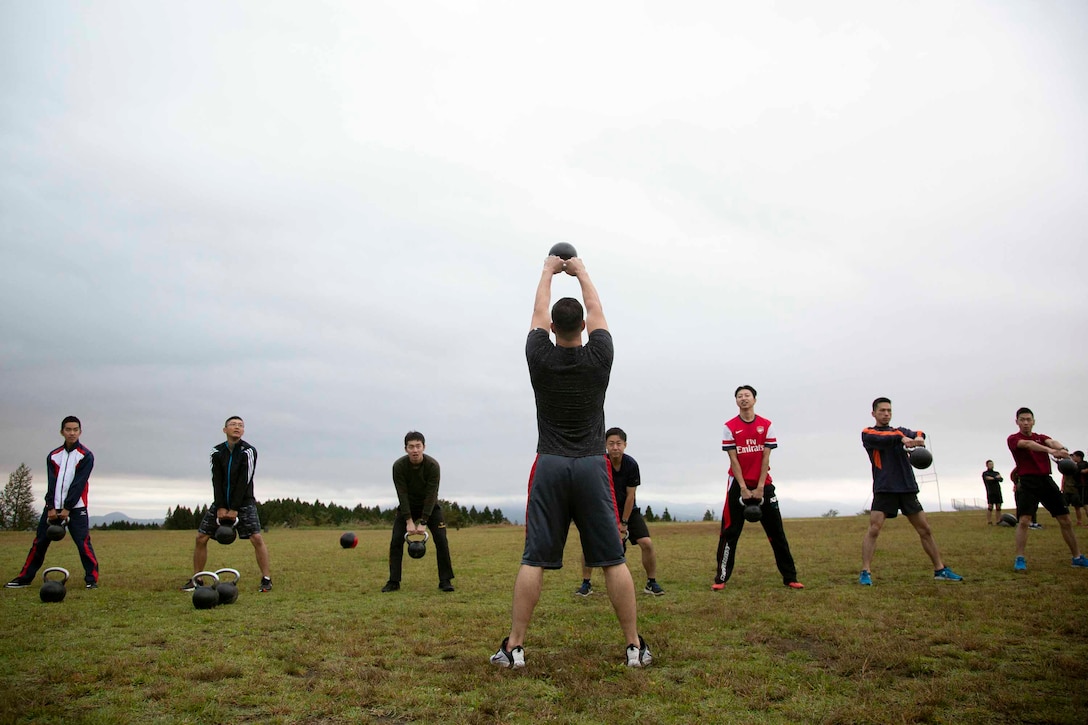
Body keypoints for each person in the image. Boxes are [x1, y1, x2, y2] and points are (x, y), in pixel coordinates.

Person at [490, 252, 651, 669]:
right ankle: (634, 647)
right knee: (613, 559)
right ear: (581, 327)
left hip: (550, 464)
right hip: (592, 465)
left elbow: (537, 312)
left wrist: (546, 271)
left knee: (533, 559)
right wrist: (580, 271)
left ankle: (515, 648)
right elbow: (596, 309)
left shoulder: (538, 356)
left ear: (551, 329)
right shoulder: (599, 356)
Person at [858, 397, 963, 586]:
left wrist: (919, 438)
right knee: (874, 529)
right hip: (885, 488)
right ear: (874, 413)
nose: (886, 414)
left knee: (925, 529)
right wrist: (903, 438)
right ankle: (865, 572)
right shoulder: (869, 433)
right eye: (882, 411)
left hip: (907, 487)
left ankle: (940, 569)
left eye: (889, 410)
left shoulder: (901, 431)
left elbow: (920, 432)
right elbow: (886, 438)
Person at [712, 385, 803, 591]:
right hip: (737, 483)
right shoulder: (730, 426)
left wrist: (761, 486)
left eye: (747, 396)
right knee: (730, 532)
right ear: (736, 401)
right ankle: (721, 578)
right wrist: (743, 487)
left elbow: (766, 456)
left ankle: (790, 577)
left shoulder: (766, 425)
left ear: (754, 399)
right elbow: (733, 459)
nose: (743, 399)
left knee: (777, 532)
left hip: (764, 483)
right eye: (739, 396)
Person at [5, 416, 100, 589]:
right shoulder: (53, 456)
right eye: (68, 429)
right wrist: (50, 506)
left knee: (83, 543)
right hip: (52, 509)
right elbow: (52, 482)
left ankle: (91, 580)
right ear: (62, 431)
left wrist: (67, 508)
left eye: (75, 429)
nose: (72, 433)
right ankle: (24, 578)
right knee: (39, 542)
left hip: (76, 509)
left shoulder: (86, 456)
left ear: (80, 431)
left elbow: (78, 484)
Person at [181, 416, 273, 592]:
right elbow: (217, 480)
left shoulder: (249, 451)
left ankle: (266, 579)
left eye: (240, 425)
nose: (237, 427)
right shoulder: (216, 452)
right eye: (233, 425)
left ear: (243, 431)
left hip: (244, 503)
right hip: (221, 503)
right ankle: (197, 579)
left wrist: (235, 509)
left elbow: (244, 480)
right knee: (201, 537)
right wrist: (221, 506)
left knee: (256, 538)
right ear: (225, 430)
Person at [575, 427, 665, 597]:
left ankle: (651, 583)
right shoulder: (599, 463)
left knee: (646, 543)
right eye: (611, 443)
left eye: (618, 443)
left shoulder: (631, 465)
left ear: (625, 445)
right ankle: (586, 584)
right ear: (605, 445)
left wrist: (623, 523)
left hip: (629, 511)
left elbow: (631, 496)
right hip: (603, 510)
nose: (615, 447)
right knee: (588, 543)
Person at [1006, 407, 1088, 571]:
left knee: (1065, 519)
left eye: (1029, 419)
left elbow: (1052, 441)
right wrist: (1051, 451)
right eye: (1022, 419)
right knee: (1024, 521)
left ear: (1033, 421)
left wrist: (1062, 449)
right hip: (1027, 482)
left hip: (1045, 481)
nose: (1026, 423)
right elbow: (1029, 444)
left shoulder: (1041, 438)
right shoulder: (1013, 439)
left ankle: (1077, 557)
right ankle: (1020, 558)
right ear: (1017, 422)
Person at [382, 431, 455, 593]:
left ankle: (445, 580)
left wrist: (423, 521)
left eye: (418, 446)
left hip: (430, 507)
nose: (415, 450)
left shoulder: (432, 466)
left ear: (424, 447)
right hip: (407, 506)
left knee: (442, 540)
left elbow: (431, 494)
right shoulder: (399, 466)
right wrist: (408, 520)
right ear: (405, 449)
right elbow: (402, 494)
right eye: (411, 447)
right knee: (395, 542)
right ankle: (393, 581)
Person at [1061, 450, 1086, 527]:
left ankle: (1079, 521)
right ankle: (1066, 521)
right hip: (1066, 489)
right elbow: (1063, 479)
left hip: (1074, 489)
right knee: (1064, 507)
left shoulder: (1076, 467)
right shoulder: (1065, 468)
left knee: (1077, 507)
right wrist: (1062, 487)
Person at [982, 460, 1004, 525]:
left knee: (998, 506)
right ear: (987, 465)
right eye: (990, 464)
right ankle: (989, 521)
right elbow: (987, 479)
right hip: (990, 492)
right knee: (990, 506)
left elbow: (1001, 479)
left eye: (992, 464)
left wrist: (993, 478)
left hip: (998, 491)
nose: (991, 465)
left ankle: (998, 521)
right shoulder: (985, 473)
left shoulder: (996, 472)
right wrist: (996, 478)